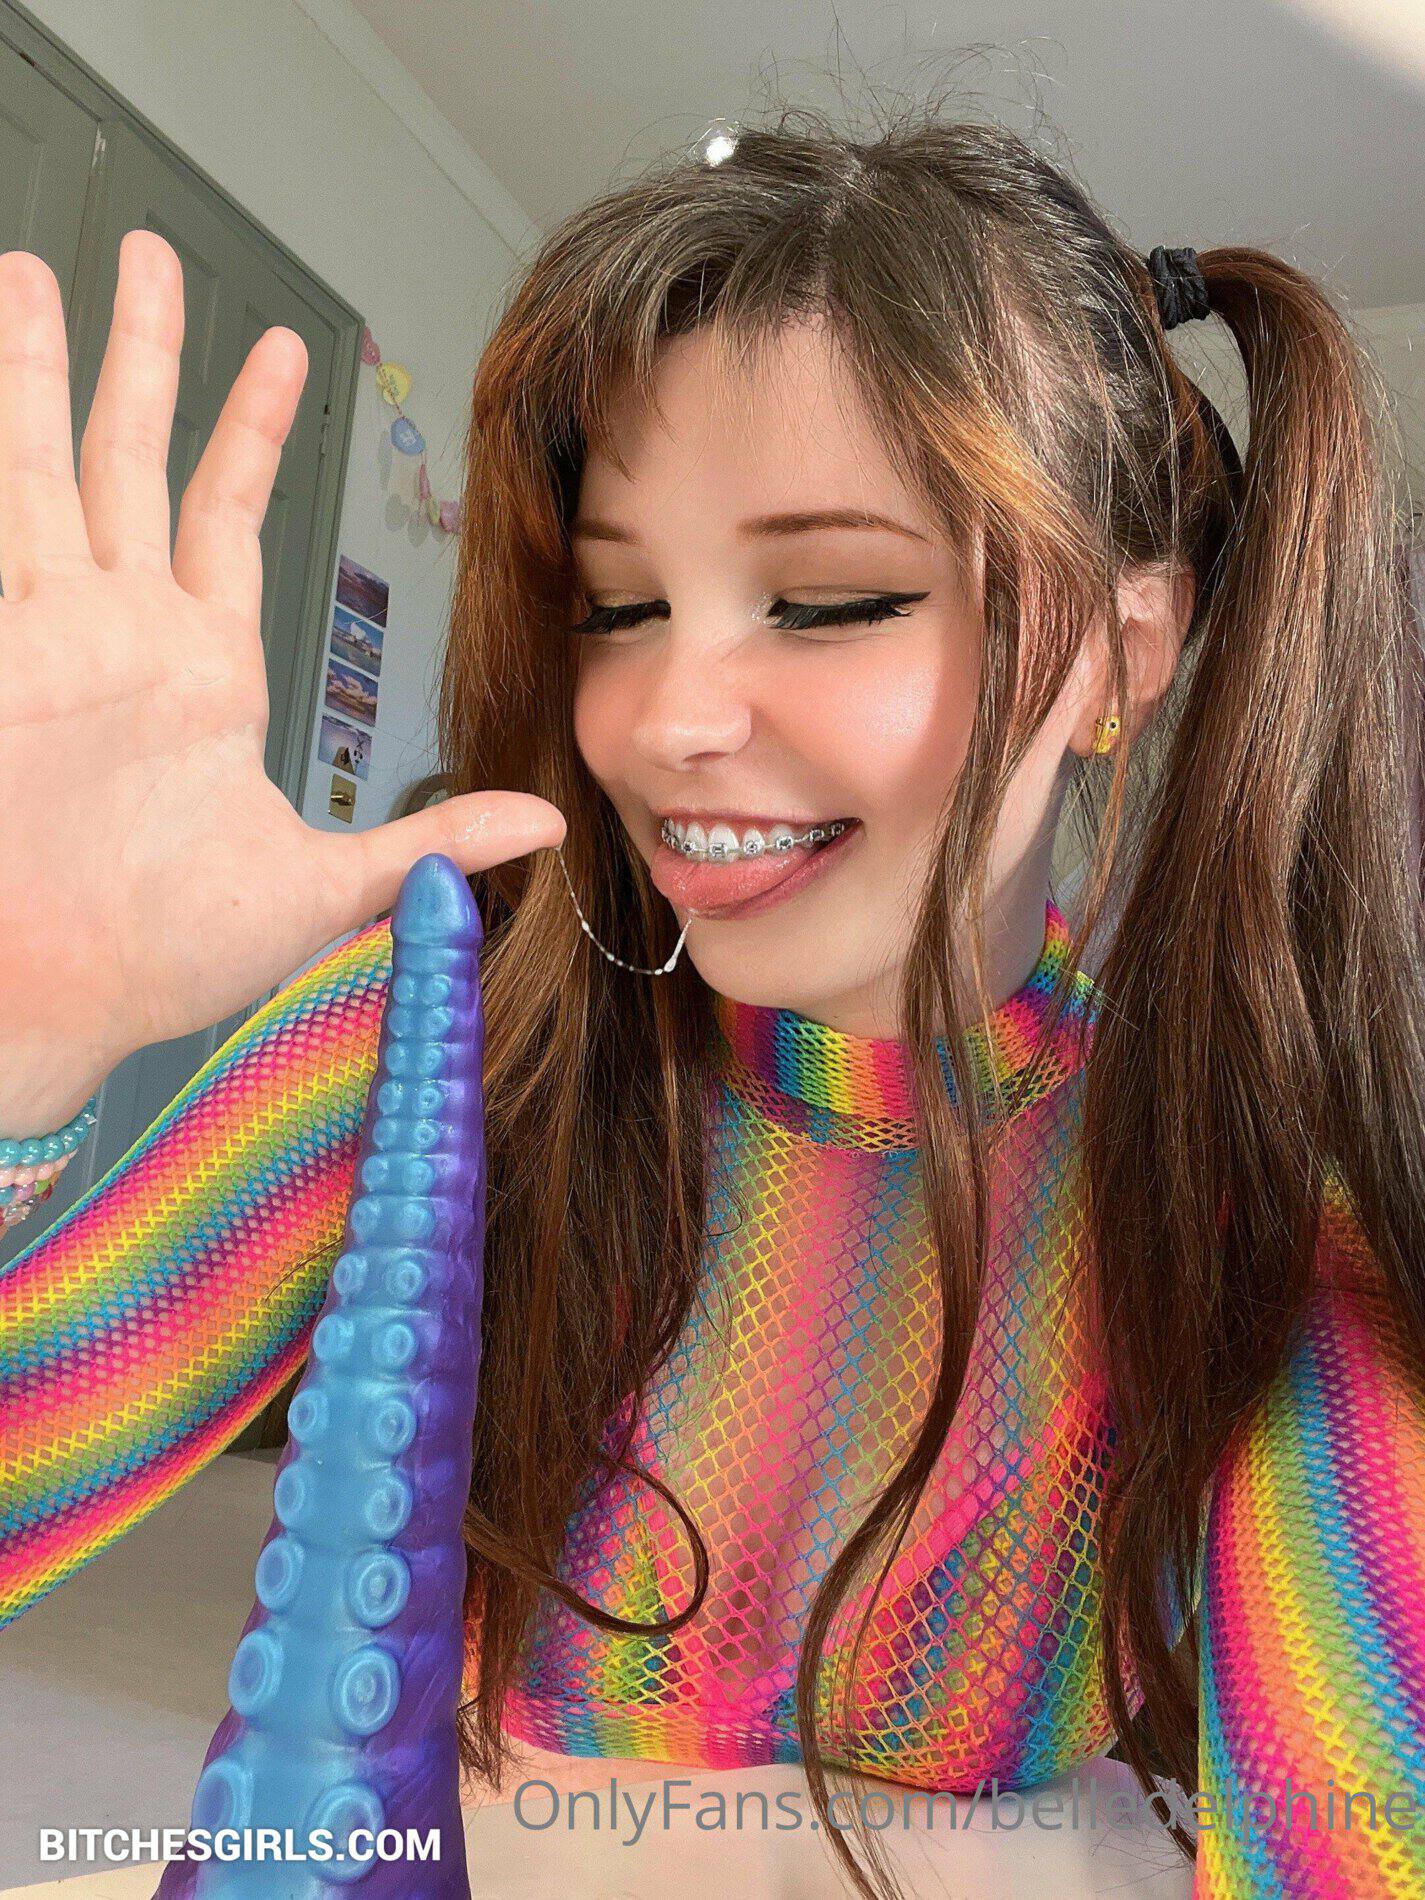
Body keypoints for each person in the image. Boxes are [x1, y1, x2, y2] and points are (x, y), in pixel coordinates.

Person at [2, 100, 1424, 1900]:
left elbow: (1349, 1829)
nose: (664, 722)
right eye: (617, 608)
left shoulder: (1245, 1207)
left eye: (827, 600)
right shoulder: (449, 1040)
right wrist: (22, 1036)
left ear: (1115, 655)